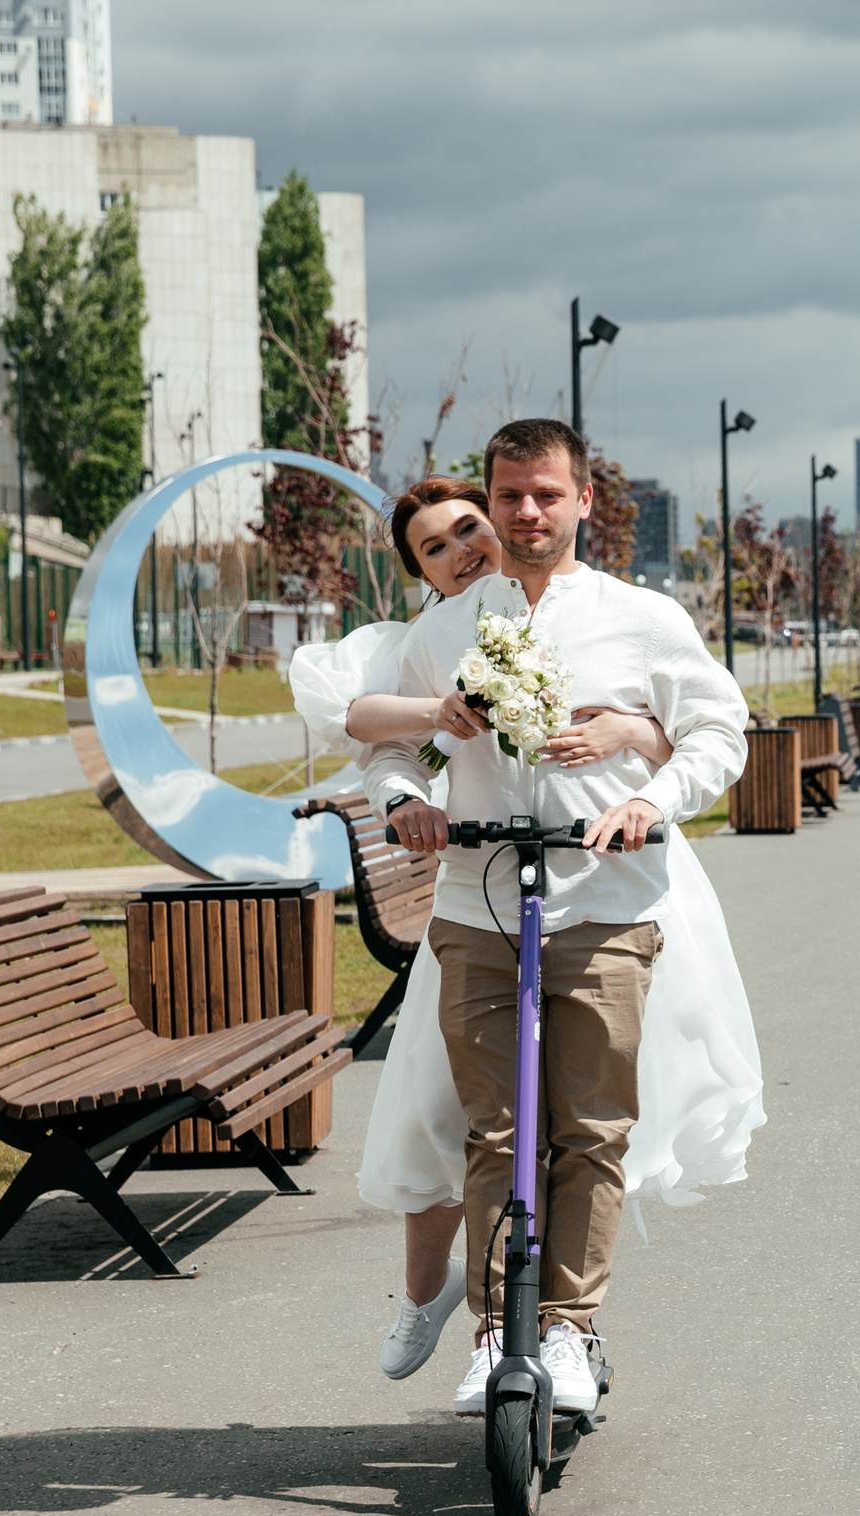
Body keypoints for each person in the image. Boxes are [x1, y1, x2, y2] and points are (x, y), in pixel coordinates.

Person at [288, 476, 765, 1383]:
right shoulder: (435, 640)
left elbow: (704, 730)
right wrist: (409, 787)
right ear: (420, 573)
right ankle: (463, 1314)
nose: (465, 549)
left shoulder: (615, 615)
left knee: (589, 1117)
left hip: (605, 883)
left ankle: (563, 1327)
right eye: (435, 548)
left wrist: (633, 735)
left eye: (472, 525)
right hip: (482, 898)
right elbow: (380, 739)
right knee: (458, 1119)